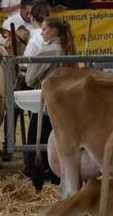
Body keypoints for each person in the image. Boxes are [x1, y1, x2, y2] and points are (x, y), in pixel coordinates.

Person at [23, 16, 76, 185]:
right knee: (60, 140)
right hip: (66, 104)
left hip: (47, 103)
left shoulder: (48, 51)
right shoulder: (69, 49)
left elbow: (30, 79)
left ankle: (41, 175)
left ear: (53, 31)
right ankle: (58, 176)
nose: (42, 33)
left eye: (44, 29)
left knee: (37, 140)